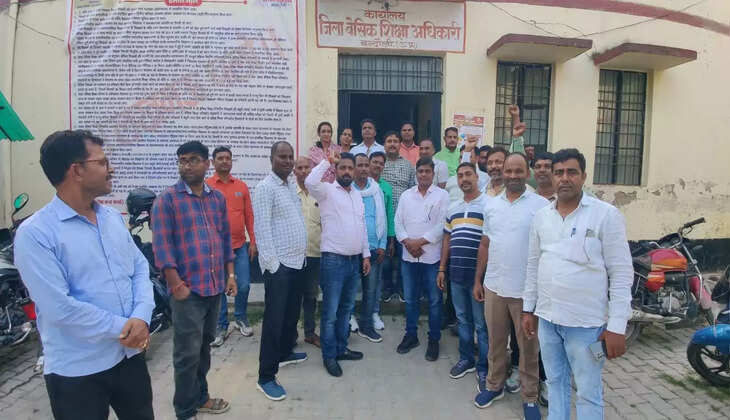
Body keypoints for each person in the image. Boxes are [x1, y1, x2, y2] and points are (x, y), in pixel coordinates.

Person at [14, 130, 155, 420]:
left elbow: (139, 268)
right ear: (76, 170)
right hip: (77, 371)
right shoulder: (36, 234)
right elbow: (59, 307)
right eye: (102, 162)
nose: (111, 169)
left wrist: (141, 317)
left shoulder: (111, 218)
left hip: (128, 359)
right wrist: (126, 328)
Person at [521, 148, 633, 420]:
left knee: (588, 392)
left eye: (571, 172)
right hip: (548, 321)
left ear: (583, 176)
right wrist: (528, 309)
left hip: (587, 327)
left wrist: (617, 326)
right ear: (551, 177)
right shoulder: (541, 217)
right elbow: (533, 265)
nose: (564, 178)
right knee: (554, 383)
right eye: (559, 172)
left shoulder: (605, 215)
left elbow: (621, 273)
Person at [152, 140, 237, 419]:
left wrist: (230, 275)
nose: (186, 166)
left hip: (214, 287)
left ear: (206, 164)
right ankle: (185, 410)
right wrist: (176, 284)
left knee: (203, 348)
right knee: (186, 355)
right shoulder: (168, 200)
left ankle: (200, 397)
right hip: (187, 291)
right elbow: (162, 247)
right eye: (182, 160)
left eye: (192, 160)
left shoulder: (217, 199)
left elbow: (225, 239)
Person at [473, 153, 548, 420]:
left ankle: (529, 397)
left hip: (525, 291)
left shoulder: (541, 206)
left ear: (527, 173)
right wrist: (478, 280)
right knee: (495, 342)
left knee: (528, 347)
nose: (513, 176)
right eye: (509, 171)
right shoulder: (491, 205)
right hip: (494, 285)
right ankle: (494, 385)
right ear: (502, 172)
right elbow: (485, 244)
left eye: (519, 171)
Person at [305, 152, 371, 377]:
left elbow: (362, 226)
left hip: (354, 261)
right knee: (331, 312)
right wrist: (327, 162)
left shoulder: (357, 195)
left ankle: (342, 348)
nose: (346, 172)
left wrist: (366, 255)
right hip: (333, 261)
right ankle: (329, 356)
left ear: (355, 171)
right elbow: (309, 181)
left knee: (346, 309)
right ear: (336, 170)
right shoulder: (326, 191)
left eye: (350, 168)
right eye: (342, 167)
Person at [252, 141, 308, 401]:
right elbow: (262, 229)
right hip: (280, 267)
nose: (287, 161)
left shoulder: (289, 186)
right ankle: (266, 377)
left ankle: (284, 352)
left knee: (290, 314)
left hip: (297, 263)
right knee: (274, 321)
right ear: (271, 159)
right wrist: (273, 266)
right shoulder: (265, 188)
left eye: (290, 157)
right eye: (282, 157)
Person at [436, 162, 489, 388]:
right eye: (460, 175)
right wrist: (442, 268)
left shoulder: (488, 205)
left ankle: (484, 367)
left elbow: (488, 243)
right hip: (456, 274)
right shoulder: (453, 208)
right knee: (462, 320)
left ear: (477, 177)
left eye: (468, 174)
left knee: (481, 324)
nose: (464, 179)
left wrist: (480, 278)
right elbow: (447, 240)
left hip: (479, 277)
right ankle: (466, 359)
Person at [395, 157, 450, 361]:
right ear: (416, 173)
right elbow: (398, 222)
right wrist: (408, 242)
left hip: (432, 258)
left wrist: (419, 243)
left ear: (433, 174)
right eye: (420, 171)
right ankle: (411, 335)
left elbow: (442, 225)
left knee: (434, 301)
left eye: (427, 171)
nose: (424, 174)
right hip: (408, 257)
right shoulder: (406, 195)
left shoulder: (442, 195)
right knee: (410, 299)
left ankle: (434, 339)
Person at [206, 146, 256, 347]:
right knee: (219, 287)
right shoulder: (207, 186)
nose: (225, 161)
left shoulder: (241, 186)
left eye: (228, 158)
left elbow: (249, 215)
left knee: (243, 284)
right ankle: (221, 324)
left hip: (239, 246)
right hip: (215, 248)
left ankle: (240, 317)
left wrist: (253, 241)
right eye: (220, 158)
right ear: (213, 162)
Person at [352, 153, 388, 342]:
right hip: (352, 249)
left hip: (374, 247)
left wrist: (382, 244)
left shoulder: (376, 190)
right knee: (349, 289)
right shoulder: (347, 189)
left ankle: (366, 326)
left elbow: (383, 218)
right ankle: (347, 320)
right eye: (360, 165)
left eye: (366, 165)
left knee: (370, 290)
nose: (364, 168)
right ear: (353, 167)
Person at [382, 131, 416, 302]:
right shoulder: (379, 163)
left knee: (404, 256)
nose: (392, 144)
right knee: (386, 259)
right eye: (389, 141)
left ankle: (402, 289)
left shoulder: (408, 165)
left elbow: (413, 190)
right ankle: (387, 288)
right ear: (384, 145)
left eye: (396, 141)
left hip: (404, 220)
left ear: (400, 144)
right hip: (384, 219)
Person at [294, 156, 322, 347]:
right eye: (300, 168)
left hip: (315, 254)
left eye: (307, 168)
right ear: (294, 171)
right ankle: (291, 334)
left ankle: (310, 333)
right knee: (293, 297)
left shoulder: (318, 194)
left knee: (311, 296)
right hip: (294, 256)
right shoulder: (289, 193)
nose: (304, 171)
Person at [368, 151, 395, 330]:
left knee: (376, 281)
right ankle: (351, 314)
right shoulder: (360, 185)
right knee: (356, 283)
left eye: (381, 163)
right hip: (361, 241)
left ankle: (374, 312)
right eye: (375, 162)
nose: (378, 165)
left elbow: (389, 215)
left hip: (380, 241)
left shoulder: (386, 187)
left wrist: (391, 240)